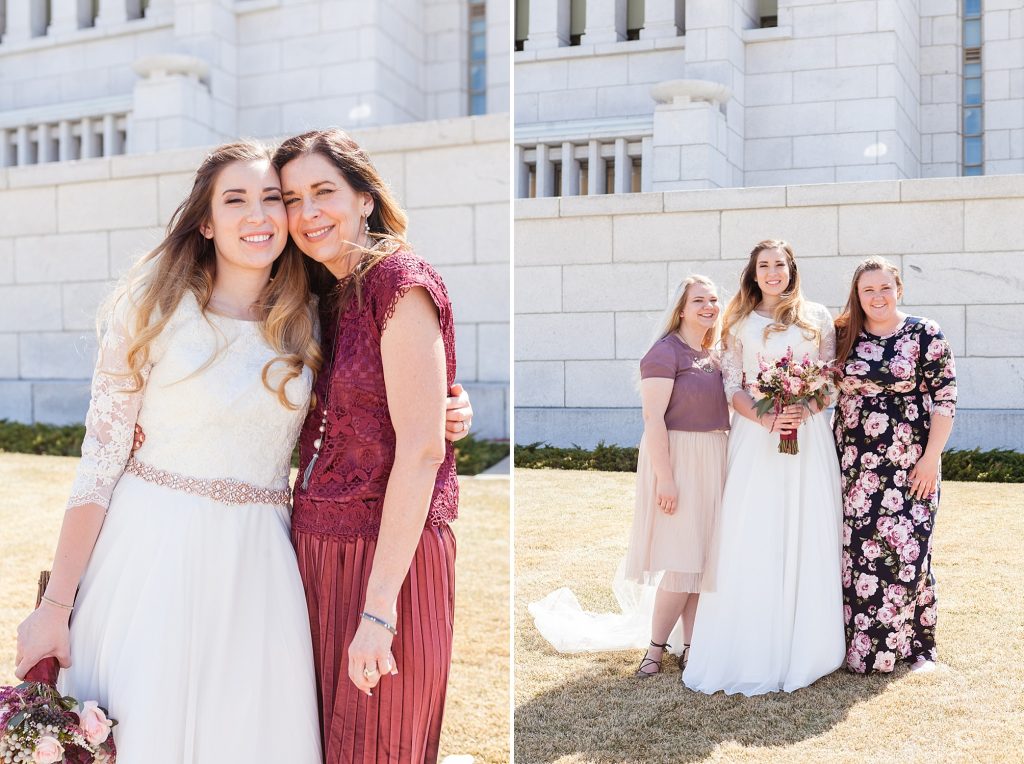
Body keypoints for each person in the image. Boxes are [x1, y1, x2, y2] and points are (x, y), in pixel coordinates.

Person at [13, 140, 473, 762]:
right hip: (152, 550)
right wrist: (54, 606)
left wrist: (445, 410)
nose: (264, 215)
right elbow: (98, 468)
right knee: (145, 721)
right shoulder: (152, 309)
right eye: (239, 200)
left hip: (263, 561)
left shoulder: (314, 312)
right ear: (206, 221)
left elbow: (374, 406)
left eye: (273, 200)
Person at [275, 129, 459, 763]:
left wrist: (378, 611)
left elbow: (421, 451)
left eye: (323, 191)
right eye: (291, 199)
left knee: (376, 745)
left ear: (364, 197)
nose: (307, 213)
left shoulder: (398, 282)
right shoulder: (318, 295)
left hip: (389, 558)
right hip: (312, 552)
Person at [682, 239, 846, 696]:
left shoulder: (816, 317)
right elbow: (731, 385)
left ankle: (806, 642)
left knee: (806, 528)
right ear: (753, 274)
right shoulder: (737, 321)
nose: (772, 272)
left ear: (792, 270)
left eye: (780, 265)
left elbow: (831, 379)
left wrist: (805, 409)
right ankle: (748, 639)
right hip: (756, 437)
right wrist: (767, 416)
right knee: (751, 530)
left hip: (808, 439)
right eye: (764, 266)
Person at [833, 257, 956, 674]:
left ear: (898, 289)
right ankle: (860, 650)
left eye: (885, 288)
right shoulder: (843, 334)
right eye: (868, 290)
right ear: (858, 295)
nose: (878, 296)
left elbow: (945, 399)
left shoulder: (925, 333)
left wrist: (930, 459)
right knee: (859, 556)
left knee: (908, 553)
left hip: (910, 466)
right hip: (854, 467)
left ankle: (917, 647)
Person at [626, 276, 729, 677]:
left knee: (700, 562)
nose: (708, 306)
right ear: (681, 309)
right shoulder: (664, 352)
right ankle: (654, 650)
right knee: (681, 561)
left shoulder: (716, 354)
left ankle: (691, 647)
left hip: (715, 455)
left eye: (714, 299)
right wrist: (665, 478)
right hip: (678, 458)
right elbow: (652, 418)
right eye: (698, 300)